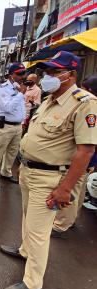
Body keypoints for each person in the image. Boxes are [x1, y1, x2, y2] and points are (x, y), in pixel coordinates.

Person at [0, 51, 97, 289]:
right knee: (26, 218)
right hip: (29, 171)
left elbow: (85, 150)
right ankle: (24, 250)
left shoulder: (84, 102)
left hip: (50, 178)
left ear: (71, 75)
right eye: (48, 72)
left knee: (39, 231)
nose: (48, 76)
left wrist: (65, 189)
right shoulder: (49, 99)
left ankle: (32, 283)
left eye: (55, 72)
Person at [51, 74, 97, 239]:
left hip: (83, 159)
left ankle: (61, 225)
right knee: (79, 188)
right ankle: (71, 220)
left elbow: (86, 145)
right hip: (89, 160)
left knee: (71, 188)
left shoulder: (89, 106)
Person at [0, 63, 27, 192]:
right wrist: (20, 95)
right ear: (10, 75)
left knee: (12, 153)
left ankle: (6, 173)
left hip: (18, 127)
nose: (22, 76)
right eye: (19, 74)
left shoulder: (19, 88)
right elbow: (7, 108)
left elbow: (20, 108)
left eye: (23, 73)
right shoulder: (2, 89)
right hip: (4, 127)